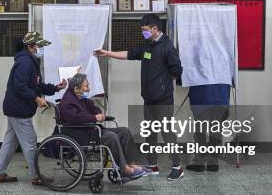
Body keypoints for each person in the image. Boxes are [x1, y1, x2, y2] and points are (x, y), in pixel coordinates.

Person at [95, 14, 184, 181]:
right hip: (149, 99)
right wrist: (107, 53)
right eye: (142, 30)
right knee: (150, 132)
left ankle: (177, 167)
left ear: (155, 29)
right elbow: (129, 54)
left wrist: (162, 84)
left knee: (167, 133)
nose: (143, 33)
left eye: (145, 30)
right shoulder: (147, 45)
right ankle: (153, 166)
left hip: (163, 100)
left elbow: (177, 71)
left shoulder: (168, 47)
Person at [0, 31, 67, 185]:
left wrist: (56, 88)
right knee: (30, 141)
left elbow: (37, 84)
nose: (41, 49)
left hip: (15, 107)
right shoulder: (25, 63)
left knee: (10, 141)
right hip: (19, 109)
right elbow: (20, 86)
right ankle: (36, 176)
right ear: (31, 46)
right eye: (39, 46)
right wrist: (36, 98)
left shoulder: (30, 61)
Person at [58, 73, 146, 181]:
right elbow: (76, 118)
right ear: (76, 88)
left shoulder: (80, 98)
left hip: (89, 130)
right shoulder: (68, 101)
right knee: (111, 137)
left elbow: (95, 109)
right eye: (86, 86)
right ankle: (124, 169)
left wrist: (98, 114)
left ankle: (132, 164)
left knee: (124, 131)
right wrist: (94, 117)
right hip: (80, 133)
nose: (88, 88)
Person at [185, 84, 230, 172]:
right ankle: (213, 163)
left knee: (201, 131)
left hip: (201, 96)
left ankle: (200, 162)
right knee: (216, 131)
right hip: (221, 96)